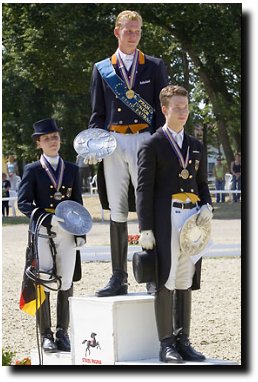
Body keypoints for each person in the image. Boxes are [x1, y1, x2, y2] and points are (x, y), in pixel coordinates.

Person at [87, 10, 168, 297]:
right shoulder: (102, 69)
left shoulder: (155, 66)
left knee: (149, 206)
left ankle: (150, 272)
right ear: (117, 32)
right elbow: (97, 113)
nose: (133, 35)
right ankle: (118, 277)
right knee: (117, 210)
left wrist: (162, 144)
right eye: (128, 30)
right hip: (113, 141)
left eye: (137, 31)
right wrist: (93, 142)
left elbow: (162, 111)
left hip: (145, 139)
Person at [136, 85, 213, 363]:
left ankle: (183, 340)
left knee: (185, 278)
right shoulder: (152, 144)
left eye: (186, 107)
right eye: (178, 107)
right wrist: (145, 228)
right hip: (166, 218)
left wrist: (207, 205)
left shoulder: (196, 145)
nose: (184, 112)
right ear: (165, 109)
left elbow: (202, 183)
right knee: (165, 279)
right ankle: (165, 344)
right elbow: (143, 189)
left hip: (192, 218)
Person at [18, 118, 86, 353]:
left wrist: (81, 230)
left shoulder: (72, 169)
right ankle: (46, 334)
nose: (52, 141)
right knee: (43, 279)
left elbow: (77, 201)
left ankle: (62, 332)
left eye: (55, 136)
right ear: (39, 143)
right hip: (44, 230)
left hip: (67, 229)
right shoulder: (33, 170)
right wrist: (46, 218)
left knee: (66, 279)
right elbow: (23, 203)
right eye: (46, 139)